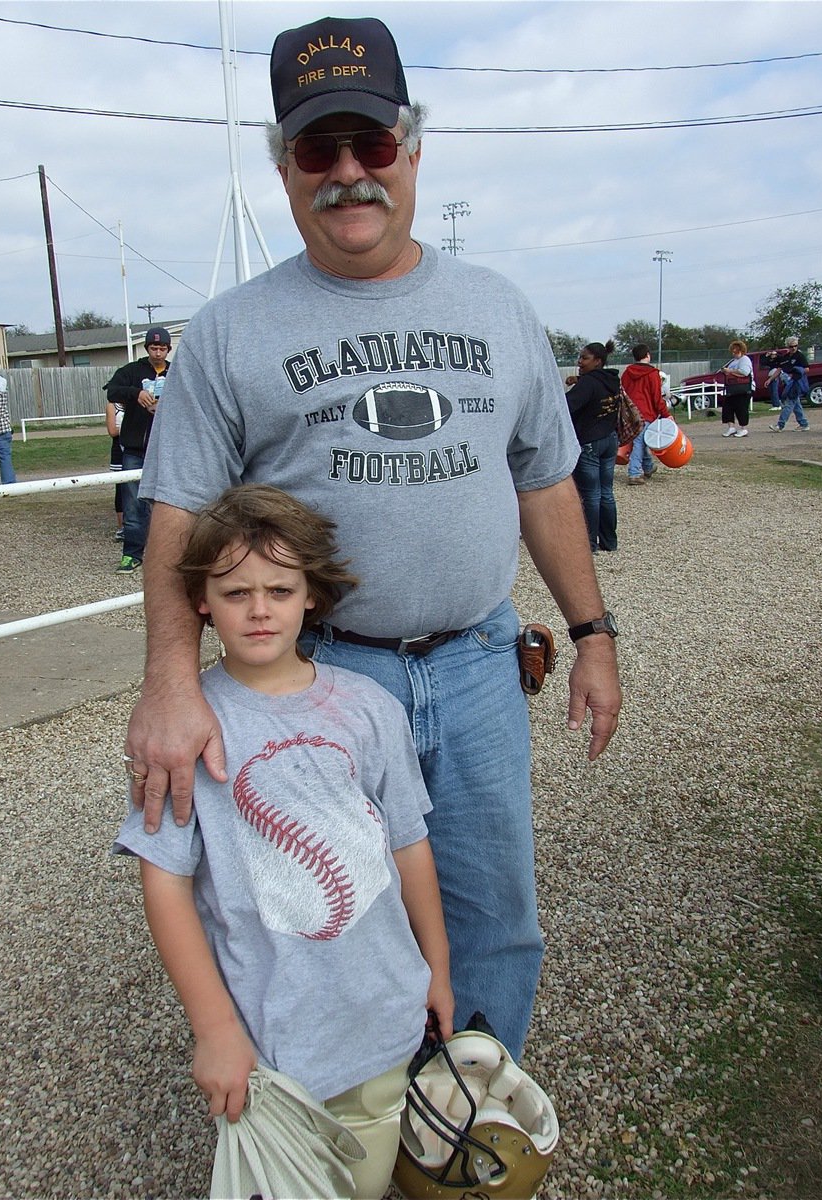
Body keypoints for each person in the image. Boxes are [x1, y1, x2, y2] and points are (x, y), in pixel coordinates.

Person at [124, 14, 621, 1061]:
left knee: (494, 914)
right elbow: (178, 516)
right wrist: (169, 681)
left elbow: (543, 478)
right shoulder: (228, 334)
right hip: (319, 678)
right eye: (318, 149)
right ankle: (368, 1111)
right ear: (286, 169)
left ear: (414, 149)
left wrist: (593, 633)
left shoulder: (496, 308)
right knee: (340, 913)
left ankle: (468, 1116)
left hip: (482, 665)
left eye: (373, 145)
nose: (349, 173)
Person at [113, 484, 454, 1199]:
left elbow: (407, 844)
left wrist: (438, 970)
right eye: (236, 592)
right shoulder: (190, 728)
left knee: (365, 1178)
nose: (260, 609)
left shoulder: (370, 708)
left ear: (312, 597)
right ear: (202, 600)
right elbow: (165, 881)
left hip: (384, 1015)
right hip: (275, 1039)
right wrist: (214, 1030)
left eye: (279, 588)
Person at [103, 327, 172, 573]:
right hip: (134, 449)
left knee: (165, 503)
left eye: (162, 348)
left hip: (165, 449)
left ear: (168, 349)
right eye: (153, 348)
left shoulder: (176, 372)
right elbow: (111, 390)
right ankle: (131, 555)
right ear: (146, 349)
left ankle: (163, 556)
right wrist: (136, 393)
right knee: (132, 504)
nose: (157, 352)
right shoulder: (132, 371)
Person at [565, 340, 621, 551]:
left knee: (591, 494)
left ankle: (589, 543)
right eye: (579, 358)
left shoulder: (588, 384)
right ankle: (609, 540)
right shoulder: (612, 380)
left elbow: (566, 405)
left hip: (590, 441)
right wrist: (578, 380)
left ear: (597, 361)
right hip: (609, 439)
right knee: (606, 492)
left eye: (584, 358)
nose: (580, 362)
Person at [621, 343, 670, 482]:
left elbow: (622, 392)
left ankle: (648, 467)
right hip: (645, 413)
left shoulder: (627, 373)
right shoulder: (653, 374)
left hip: (630, 412)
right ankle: (634, 473)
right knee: (639, 442)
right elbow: (656, 397)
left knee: (639, 440)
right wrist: (666, 414)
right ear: (647, 355)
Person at [767, 336, 810, 431]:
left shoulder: (800, 356)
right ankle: (803, 423)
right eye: (791, 346)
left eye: (795, 346)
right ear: (788, 346)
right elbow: (779, 369)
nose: (793, 348)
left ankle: (780, 425)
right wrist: (770, 379)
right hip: (788, 382)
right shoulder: (785, 357)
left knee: (789, 403)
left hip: (796, 382)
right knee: (795, 403)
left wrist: (796, 371)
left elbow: (807, 369)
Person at [719, 339, 755, 438]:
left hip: (744, 388)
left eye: (736, 351)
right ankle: (731, 427)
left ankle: (743, 428)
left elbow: (745, 372)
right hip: (732, 388)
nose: (734, 353)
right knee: (728, 407)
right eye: (733, 351)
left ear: (742, 350)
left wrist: (730, 371)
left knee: (741, 407)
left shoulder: (745, 359)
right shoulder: (733, 361)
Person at [105, 398, 125, 540]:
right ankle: (122, 526)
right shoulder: (112, 406)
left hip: (137, 448)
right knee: (121, 489)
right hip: (119, 449)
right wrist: (131, 427)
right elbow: (112, 430)